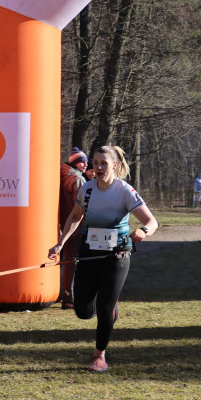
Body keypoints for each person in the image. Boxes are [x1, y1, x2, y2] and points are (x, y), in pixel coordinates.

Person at [48, 145, 158, 372]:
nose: (97, 167)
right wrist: (60, 242)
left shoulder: (124, 191)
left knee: (105, 307)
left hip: (116, 255)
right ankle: (108, 309)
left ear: (114, 166)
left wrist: (143, 232)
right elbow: (75, 217)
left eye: (103, 163)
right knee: (83, 310)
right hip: (89, 253)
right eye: (94, 163)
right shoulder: (86, 190)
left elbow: (151, 221)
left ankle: (99, 356)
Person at [58, 147, 88, 309]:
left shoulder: (61, 176)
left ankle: (62, 294)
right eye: (82, 161)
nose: (85, 164)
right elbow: (81, 206)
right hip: (74, 228)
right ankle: (69, 299)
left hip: (60, 225)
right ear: (76, 163)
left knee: (65, 262)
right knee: (73, 263)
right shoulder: (77, 179)